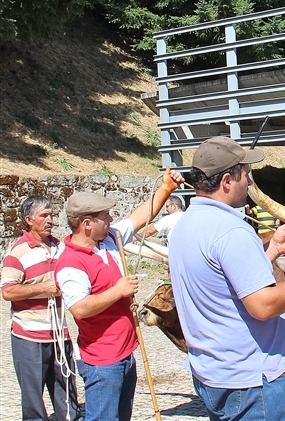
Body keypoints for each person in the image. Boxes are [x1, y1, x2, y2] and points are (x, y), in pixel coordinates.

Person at [168, 136, 285, 421]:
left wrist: (270, 252)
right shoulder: (232, 231)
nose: (250, 181)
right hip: (249, 382)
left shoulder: (185, 226)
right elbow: (264, 305)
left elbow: (220, 280)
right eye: (246, 175)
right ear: (227, 182)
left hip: (214, 374)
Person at [54, 169, 184, 421]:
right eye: (105, 216)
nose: (111, 218)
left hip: (124, 352)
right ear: (87, 224)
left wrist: (166, 188)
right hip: (102, 360)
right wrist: (118, 291)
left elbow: (138, 218)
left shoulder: (109, 238)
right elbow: (79, 308)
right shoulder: (70, 263)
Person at [1, 195, 83, 421]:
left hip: (59, 335)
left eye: (52, 215)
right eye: (44, 216)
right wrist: (42, 288)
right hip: (28, 337)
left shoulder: (60, 247)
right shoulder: (17, 252)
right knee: (33, 399)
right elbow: (7, 291)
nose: (51, 220)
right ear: (29, 220)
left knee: (67, 395)